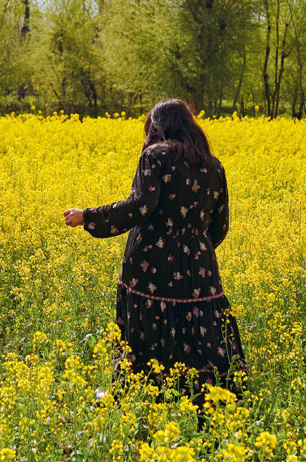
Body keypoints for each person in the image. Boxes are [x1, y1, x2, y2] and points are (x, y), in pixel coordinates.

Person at [63, 99, 245, 398]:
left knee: (149, 324)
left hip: (152, 259)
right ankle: (207, 392)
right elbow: (220, 225)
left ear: (157, 126)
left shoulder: (155, 155)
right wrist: (195, 247)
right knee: (199, 324)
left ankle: (143, 389)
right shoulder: (214, 164)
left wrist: (89, 216)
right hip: (199, 261)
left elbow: (140, 206)